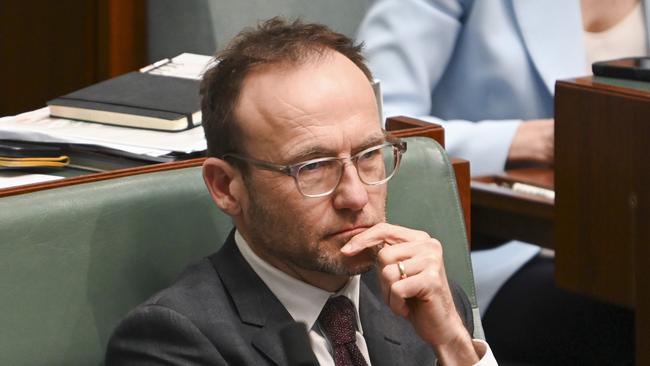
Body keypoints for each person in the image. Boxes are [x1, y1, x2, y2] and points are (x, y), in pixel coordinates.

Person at [105, 18, 497, 365]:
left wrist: (454, 346)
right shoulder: (172, 341)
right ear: (226, 187)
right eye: (312, 168)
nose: (356, 197)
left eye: (368, 155)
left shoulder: (420, 294)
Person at [357, 0, 640, 364]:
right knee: (615, 320)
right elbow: (378, 117)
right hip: (506, 247)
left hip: (624, 236)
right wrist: (527, 139)